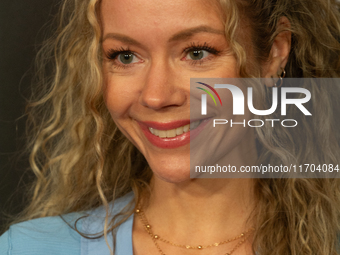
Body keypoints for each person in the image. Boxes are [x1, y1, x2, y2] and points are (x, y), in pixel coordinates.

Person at [1, 0, 340, 254]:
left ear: (273, 55)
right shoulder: (28, 248)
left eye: (196, 52)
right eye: (125, 56)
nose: (156, 96)